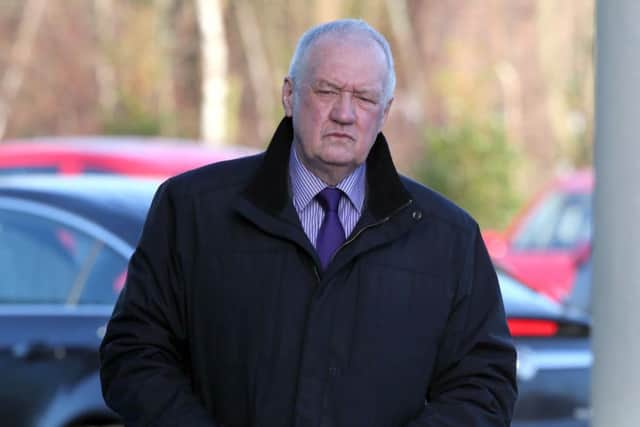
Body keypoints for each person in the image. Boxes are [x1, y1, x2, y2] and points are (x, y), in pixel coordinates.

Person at [100, 18, 517, 427]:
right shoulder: (192, 211)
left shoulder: (447, 238)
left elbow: (483, 385)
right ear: (289, 94)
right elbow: (134, 353)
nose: (345, 113)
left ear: (385, 111)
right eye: (327, 90)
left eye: (365, 98)